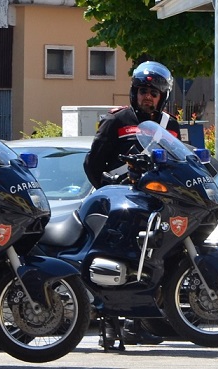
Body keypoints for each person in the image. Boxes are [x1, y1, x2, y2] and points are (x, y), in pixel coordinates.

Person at [84, 60, 181, 347]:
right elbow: (92, 164)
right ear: (133, 93)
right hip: (121, 205)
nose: (147, 96)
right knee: (120, 262)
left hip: (155, 205)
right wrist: (110, 191)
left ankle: (137, 322)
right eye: (142, 90)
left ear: (162, 96)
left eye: (153, 91)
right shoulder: (117, 121)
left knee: (151, 263)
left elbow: (179, 162)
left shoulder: (170, 125)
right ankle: (113, 325)